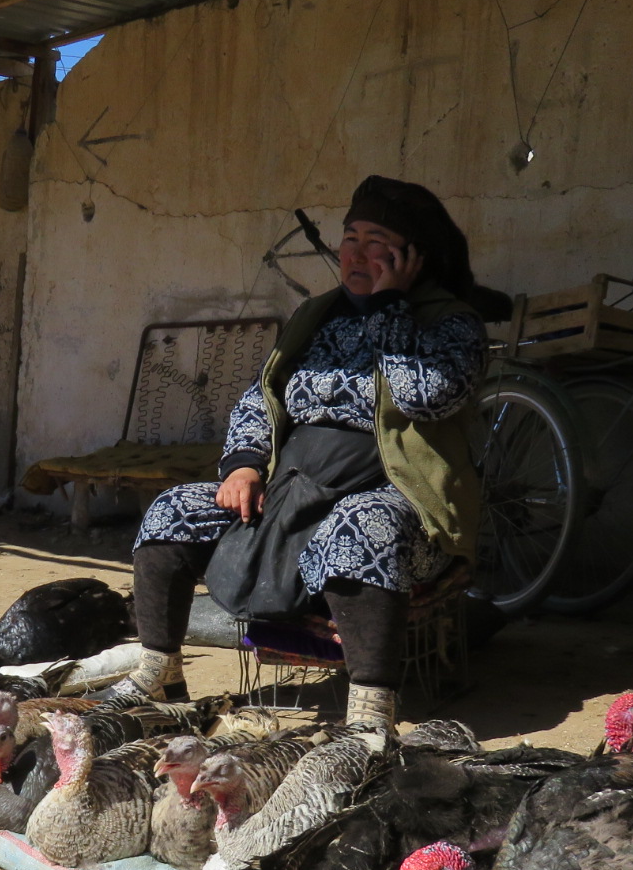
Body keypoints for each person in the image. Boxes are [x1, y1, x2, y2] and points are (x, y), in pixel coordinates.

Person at [106, 176, 505, 731]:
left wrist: (389, 307)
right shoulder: (316, 318)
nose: (358, 254)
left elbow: (425, 397)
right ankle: (160, 670)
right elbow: (260, 398)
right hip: (291, 491)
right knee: (175, 509)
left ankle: (369, 715)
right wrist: (244, 464)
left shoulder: (450, 323)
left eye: (377, 242)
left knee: (362, 526)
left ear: (415, 257)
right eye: (350, 238)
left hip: (397, 501)